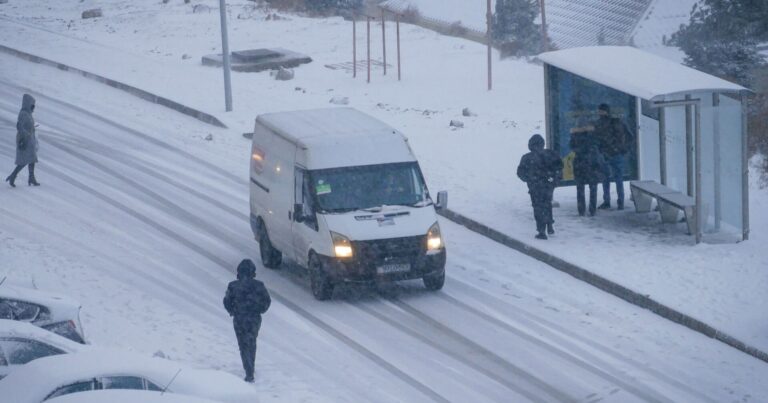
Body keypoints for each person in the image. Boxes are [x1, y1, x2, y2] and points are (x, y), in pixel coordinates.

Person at [223, 259, 271, 383]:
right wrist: (259, 310)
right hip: (254, 318)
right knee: (252, 341)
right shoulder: (259, 286)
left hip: (239, 318)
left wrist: (233, 311)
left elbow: (226, 301)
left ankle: (248, 370)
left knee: (243, 344)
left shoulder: (233, 286)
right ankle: (251, 367)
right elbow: (267, 301)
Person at [517, 134, 563, 240]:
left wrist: (529, 179)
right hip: (548, 184)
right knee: (547, 204)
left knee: (538, 207)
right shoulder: (550, 154)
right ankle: (550, 225)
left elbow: (520, 172)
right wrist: (553, 178)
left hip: (535, 186)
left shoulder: (527, 157)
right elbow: (560, 165)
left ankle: (541, 230)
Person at [593, 104, 632, 210]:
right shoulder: (618, 122)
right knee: (618, 178)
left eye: (600, 111)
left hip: (605, 154)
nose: (599, 113)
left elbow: (596, 139)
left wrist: (602, 150)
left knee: (606, 179)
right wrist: (622, 149)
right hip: (617, 154)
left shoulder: (599, 124)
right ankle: (620, 202)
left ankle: (607, 201)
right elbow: (629, 136)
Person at [5, 94, 40, 187]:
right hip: (25, 140)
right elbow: (19, 126)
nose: (33, 108)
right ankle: (13, 176)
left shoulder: (28, 113)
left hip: (30, 140)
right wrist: (26, 134)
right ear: (27, 104)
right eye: (32, 105)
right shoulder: (23, 114)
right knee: (24, 161)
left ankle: (31, 177)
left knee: (32, 159)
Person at [570, 130, 605, 217]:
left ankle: (581, 210)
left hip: (580, 165)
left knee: (580, 189)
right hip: (591, 165)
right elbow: (598, 150)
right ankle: (592, 210)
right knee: (593, 189)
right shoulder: (593, 136)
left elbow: (572, 147)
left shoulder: (575, 136)